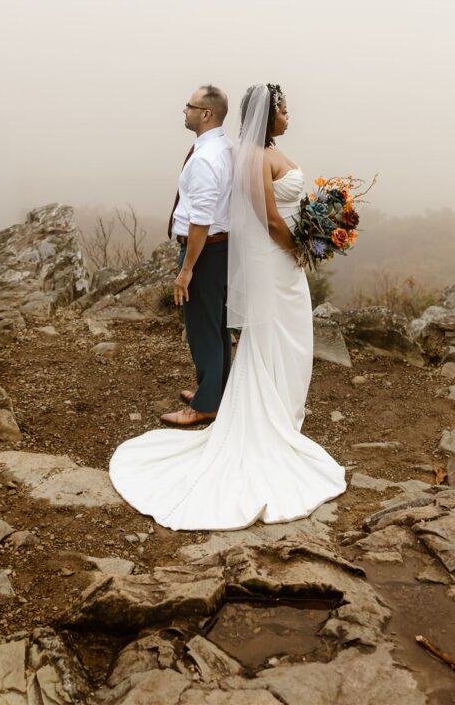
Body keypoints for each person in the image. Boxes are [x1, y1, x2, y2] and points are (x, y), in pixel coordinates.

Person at [109, 83, 346, 530]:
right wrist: (299, 246)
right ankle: (246, 406)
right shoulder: (248, 156)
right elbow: (268, 217)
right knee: (263, 332)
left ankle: (242, 400)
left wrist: (318, 227)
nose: (289, 115)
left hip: (279, 257)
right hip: (279, 258)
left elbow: (270, 211)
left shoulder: (239, 152)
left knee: (257, 331)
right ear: (267, 113)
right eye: (285, 109)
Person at [162, 85, 233, 426]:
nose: (184, 111)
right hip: (219, 251)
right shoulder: (223, 147)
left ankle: (206, 405)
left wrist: (186, 269)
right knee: (216, 326)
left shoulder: (206, 157)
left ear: (206, 113)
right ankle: (216, 392)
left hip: (204, 253)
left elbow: (201, 219)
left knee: (203, 329)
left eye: (189, 106)